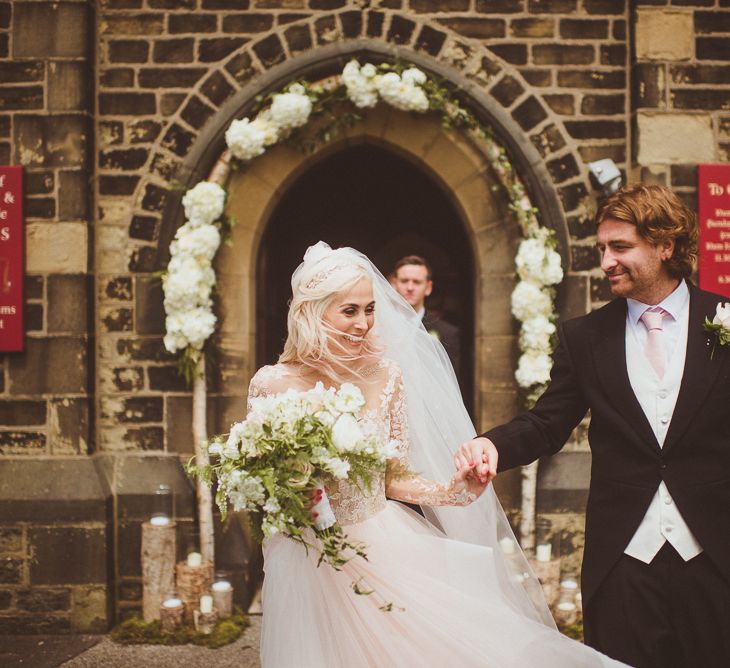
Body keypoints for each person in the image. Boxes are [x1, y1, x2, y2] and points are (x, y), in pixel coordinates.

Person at [251, 241, 626, 667]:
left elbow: (392, 476)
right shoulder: (272, 383)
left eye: (370, 309)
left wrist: (452, 490)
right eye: (349, 311)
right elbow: (263, 476)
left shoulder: (385, 375)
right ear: (312, 312)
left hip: (381, 546)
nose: (363, 323)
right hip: (302, 556)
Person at [456, 184, 730, 668]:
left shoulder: (723, 322)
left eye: (620, 247)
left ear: (666, 246)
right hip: (624, 560)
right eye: (602, 248)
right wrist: (491, 444)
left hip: (716, 556)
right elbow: (546, 423)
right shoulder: (585, 337)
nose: (606, 261)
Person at [392, 255, 461, 379]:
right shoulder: (378, 327)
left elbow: (451, 384)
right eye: (404, 281)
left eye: (417, 282)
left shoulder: (448, 333)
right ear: (395, 284)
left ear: (428, 287)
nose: (410, 288)